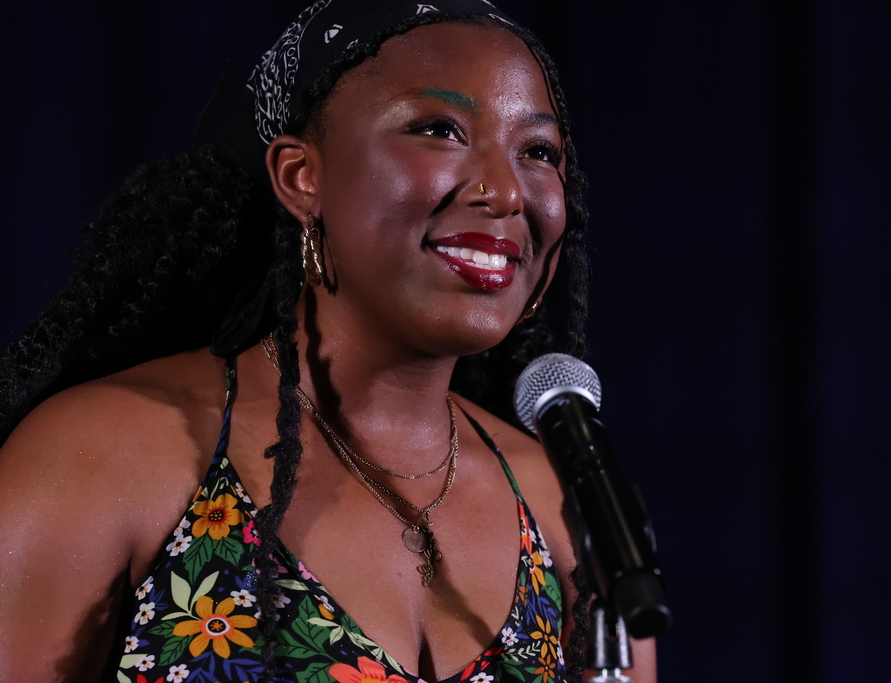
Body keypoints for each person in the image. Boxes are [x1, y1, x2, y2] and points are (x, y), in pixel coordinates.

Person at [0, 1, 656, 681]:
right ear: (299, 176)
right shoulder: (99, 454)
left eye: (538, 152)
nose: (506, 192)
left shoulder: (565, 507)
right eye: (440, 129)